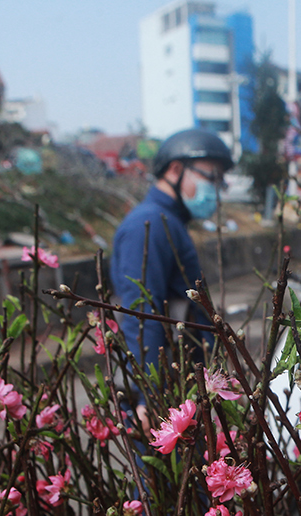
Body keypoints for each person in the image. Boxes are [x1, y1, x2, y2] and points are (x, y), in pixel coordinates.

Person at [110, 128, 233, 435]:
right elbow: (142, 315)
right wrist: (148, 396)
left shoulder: (169, 222)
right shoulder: (146, 225)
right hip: (161, 394)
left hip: (180, 385)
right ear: (176, 170)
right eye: (211, 178)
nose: (216, 189)